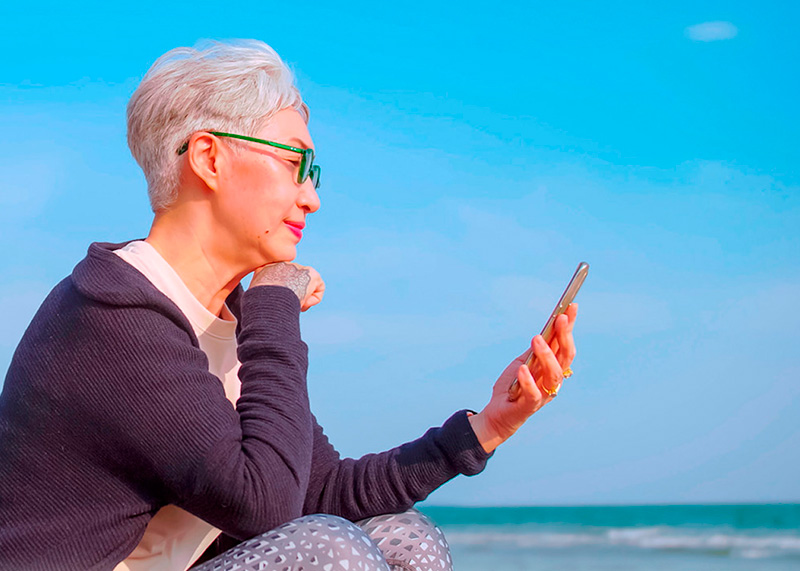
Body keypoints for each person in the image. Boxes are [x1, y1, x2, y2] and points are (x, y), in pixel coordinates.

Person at [0, 40, 578, 571]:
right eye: (294, 163)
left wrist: (487, 426)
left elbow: (320, 489)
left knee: (408, 537)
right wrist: (277, 296)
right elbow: (266, 507)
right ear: (209, 157)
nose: (313, 197)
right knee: (331, 550)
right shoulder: (115, 316)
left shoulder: (230, 316)